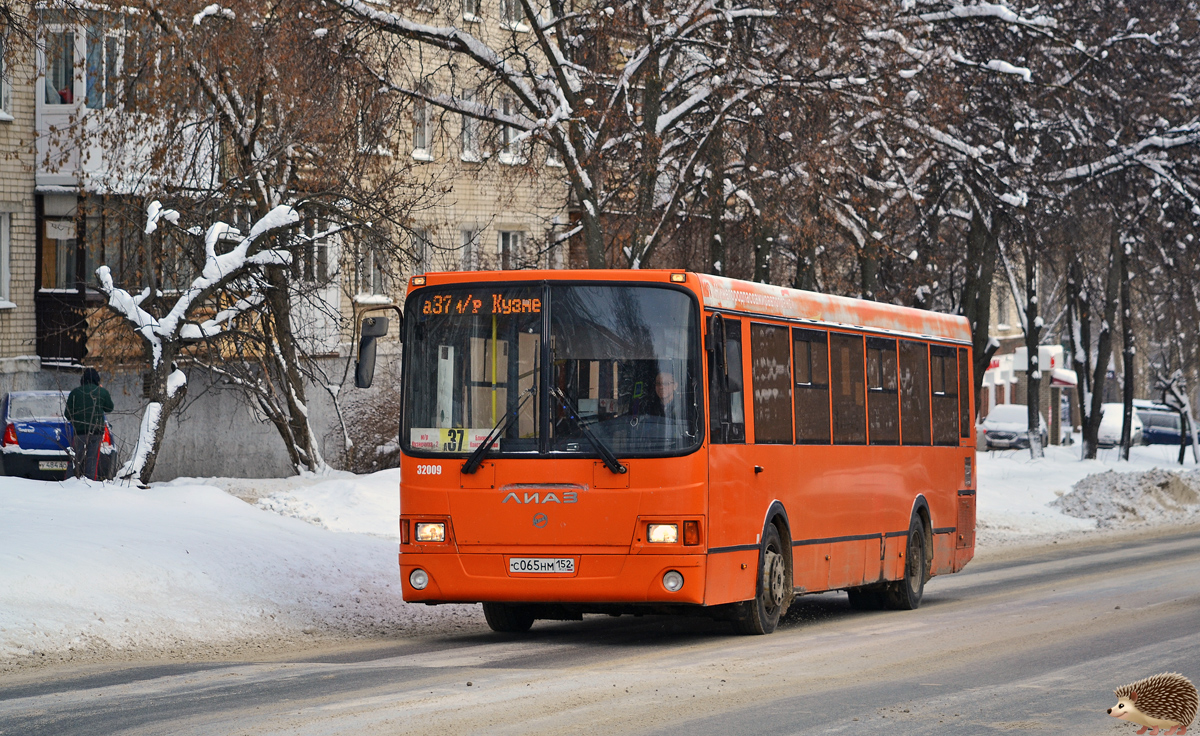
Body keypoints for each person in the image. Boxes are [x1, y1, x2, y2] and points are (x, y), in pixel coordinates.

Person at [66, 367, 114, 480]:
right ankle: (89, 482)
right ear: (97, 379)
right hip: (96, 431)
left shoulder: (75, 392)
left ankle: (70, 480)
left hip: (79, 432)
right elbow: (109, 408)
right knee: (92, 459)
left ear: (83, 379)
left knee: (75, 458)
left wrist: (77, 421)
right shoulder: (101, 392)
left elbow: (67, 414)